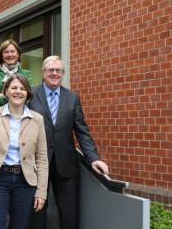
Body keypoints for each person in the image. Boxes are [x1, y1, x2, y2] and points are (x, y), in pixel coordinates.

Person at [29, 55, 109, 229]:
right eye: (51, 70)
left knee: (69, 212)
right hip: (37, 162)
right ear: (43, 72)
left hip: (66, 164)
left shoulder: (72, 98)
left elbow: (82, 131)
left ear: (63, 74)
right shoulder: (31, 95)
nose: (55, 73)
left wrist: (94, 158)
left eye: (59, 71)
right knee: (36, 210)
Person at [0, 74, 49, 229]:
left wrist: (41, 192)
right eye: (14, 88)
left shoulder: (37, 119)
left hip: (26, 181)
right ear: (6, 91)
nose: (18, 91)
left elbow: (42, 158)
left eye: (22, 88)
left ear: (28, 93)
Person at [0, 39, 33, 107]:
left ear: (18, 54)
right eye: (6, 52)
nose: (10, 55)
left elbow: (29, 96)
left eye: (12, 51)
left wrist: (1, 95)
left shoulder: (26, 73)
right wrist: (16, 95)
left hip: (20, 113)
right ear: (1, 56)